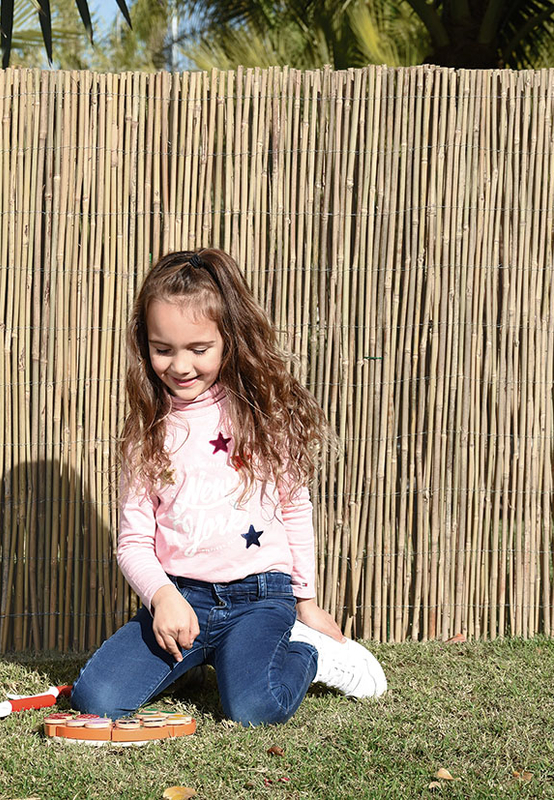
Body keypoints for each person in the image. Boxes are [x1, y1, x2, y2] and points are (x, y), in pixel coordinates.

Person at [71, 248, 386, 726]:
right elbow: (133, 542)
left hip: (259, 597)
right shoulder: (145, 435)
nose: (180, 366)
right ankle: (193, 664)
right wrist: (163, 598)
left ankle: (310, 655)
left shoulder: (262, 417)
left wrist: (306, 603)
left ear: (229, 340)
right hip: (184, 599)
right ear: (144, 343)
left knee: (254, 709)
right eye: (163, 349)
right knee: (98, 699)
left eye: (199, 349)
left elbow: (295, 507)